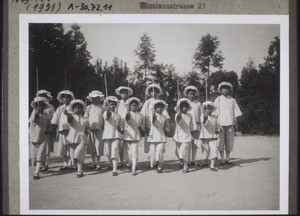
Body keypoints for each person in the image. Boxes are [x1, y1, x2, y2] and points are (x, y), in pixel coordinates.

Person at [140, 84, 170, 168]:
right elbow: (143, 115)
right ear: (149, 93)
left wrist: (165, 126)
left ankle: (159, 162)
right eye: (152, 91)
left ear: (158, 93)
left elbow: (165, 116)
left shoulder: (161, 103)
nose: (154, 93)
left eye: (156, 91)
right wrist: (144, 126)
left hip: (159, 126)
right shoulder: (147, 102)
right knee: (150, 147)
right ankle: (151, 162)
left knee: (159, 145)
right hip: (149, 126)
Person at [214, 82, 242, 165]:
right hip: (221, 124)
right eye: (223, 88)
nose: (225, 90)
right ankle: (222, 158)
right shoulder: (218, 100)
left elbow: (236, 113)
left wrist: (235, 124)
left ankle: (227, 158)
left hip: (230, 123)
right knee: (221, 142)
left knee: (229, 142)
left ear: (229, 90)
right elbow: (215, 114)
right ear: (221, 90)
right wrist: (216, 125)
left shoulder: (232, 100)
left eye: (227, 88)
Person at [64, 99, 90, 178]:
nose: (77, 109)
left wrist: (87, 131)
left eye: (79, 108)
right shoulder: (72, 117)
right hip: (72, 139)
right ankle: (79, 166)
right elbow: (69, 119)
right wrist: (67, 114)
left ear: (82, 109)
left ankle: (80, 171)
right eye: (75, 108)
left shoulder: (85, 118)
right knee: (73, 157)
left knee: (78, 154)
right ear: (73, 109)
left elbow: (88, 128)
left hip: (81, 139)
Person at [51, 90, 75, 170]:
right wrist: (53, 130)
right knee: (63, 147)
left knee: (71, 147)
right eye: (64, 97)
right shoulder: (59, 108)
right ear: (61, 99)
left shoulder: (73, 108)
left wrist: (68, 114)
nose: (66, 99)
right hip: (62, 130)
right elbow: (55, 120)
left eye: (68, 97)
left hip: (71, 130)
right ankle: (65, 164)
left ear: (71, 98)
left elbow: (75, 118)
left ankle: (71, 163)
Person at [29, 97, 51, 180]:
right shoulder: (34, 113)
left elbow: (49, 126)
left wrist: (48, 131)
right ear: (35, 106)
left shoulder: (46, 115)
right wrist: (36, 109)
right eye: (39, 105)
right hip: (34, 138)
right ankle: (43, 166)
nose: (40, 107)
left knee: (40, 155)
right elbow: (35, 118)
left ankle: (36, 173)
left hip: (43, 138)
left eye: (42, 105)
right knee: (34, 157)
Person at [33, 90, 55, 172]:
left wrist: (51, 129)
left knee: (47, 147)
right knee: (38, 148)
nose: (43, 97)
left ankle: (46, 164)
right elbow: (33, 120)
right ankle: (41, 164)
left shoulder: (51, 107)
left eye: (44, 96)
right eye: (41, 95)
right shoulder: (36, 107)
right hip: (37, 131)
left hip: (47, 129)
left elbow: (53, 118)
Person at [122, 97, 145, 175]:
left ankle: (134, 167)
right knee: (128, 152)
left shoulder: (140, 115)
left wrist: (141, 128)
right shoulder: (127, 113)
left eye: (135, 105)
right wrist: (127, 115)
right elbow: (127, 121)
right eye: (132, 105)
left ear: (138, 106)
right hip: (128, 134)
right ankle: (130, 162)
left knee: (134, 151)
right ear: (129, 106)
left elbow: (142, 124)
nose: (134, 107)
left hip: (135, 134)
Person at [84, 90, 105, 170]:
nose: (95, 100)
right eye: (93, 98)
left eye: (97, 98)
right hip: (91, 129)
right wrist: (87, 127)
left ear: (100, 99)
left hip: (100, 129)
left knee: (99, 145)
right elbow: (86, 117)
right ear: (91, 99)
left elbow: (105, 117)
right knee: (91, 146)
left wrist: (103, 126)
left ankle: (98, 162)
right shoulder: (89, 107)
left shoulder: (102, 108)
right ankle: (93, 162)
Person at [102, 96, 123, 176]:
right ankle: (111, 164)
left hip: (116, 135)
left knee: (114, 150)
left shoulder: (118, 116)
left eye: (114, 105)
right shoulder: (105, 113)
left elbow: (119, 126)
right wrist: (107, 111)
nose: (112, 106)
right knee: (108, 152)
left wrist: (122, 131)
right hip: (107, 135)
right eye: (110, 105)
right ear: (107, 106)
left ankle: (115, 169)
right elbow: (107, 117)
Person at [147, 100, 169, 173]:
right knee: (151, 154)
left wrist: (167, 128)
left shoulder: (164, 117)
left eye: (161, 107)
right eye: (157, 107)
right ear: (155, 108)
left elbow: (167, 127)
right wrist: (154, 117)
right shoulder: (151, 116)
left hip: (161, 137)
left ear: (163, 108)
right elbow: (154, 123)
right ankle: (153, 164)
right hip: (153, 137)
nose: (159, 109)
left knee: (159, 152)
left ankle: (160, 167)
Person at [173, 98, 194, 173]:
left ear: (188, 108)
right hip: (178, 136)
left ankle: (186, 166)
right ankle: (182, 162)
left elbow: (191, 125)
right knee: (178, 152)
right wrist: (179, 115)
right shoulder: (177, 115)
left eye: (186, 107)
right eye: (183, 107)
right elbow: (179, 122)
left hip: (187, 136)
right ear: (180, 107)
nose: (184, 108)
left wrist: (192, 133)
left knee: (184, 151)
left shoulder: (190, 115)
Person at [115, 86, 133, 169]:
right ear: (120, 94)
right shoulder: (118, 103)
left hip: (128, 124)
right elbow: (115, 113)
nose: (124, 94)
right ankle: (120, 161)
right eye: (122, 93)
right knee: (120, 144)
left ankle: (128, 160)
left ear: (128, 94)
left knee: (127, 143)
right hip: (119, 123)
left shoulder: (130, 102)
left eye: (126, 93)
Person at [183, 86, 202, 168]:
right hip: (186, 126)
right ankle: (185, 161)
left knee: (194, 144)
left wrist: (200, 120)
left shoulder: (198, 103)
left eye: (193, 94)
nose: (192, 96)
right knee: (187, 144)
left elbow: (201, 114)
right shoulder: (184, 102)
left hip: (195, 125)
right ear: (187, 95)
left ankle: (193, 160)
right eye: (190, 94)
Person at [199, 101, 221, 171]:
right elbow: (205, 124)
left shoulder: (214, 117)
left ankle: (212, 165)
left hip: (213, 137)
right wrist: (205, 118)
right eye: (207, 109)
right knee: (205, 151)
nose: (208, 110)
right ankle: (205, 162)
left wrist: (218, 130)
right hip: (205, 137)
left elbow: (219, 126)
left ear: (212, 110)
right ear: (204, 110)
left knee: (214, 149)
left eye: (210, 108)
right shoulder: (202, 117)